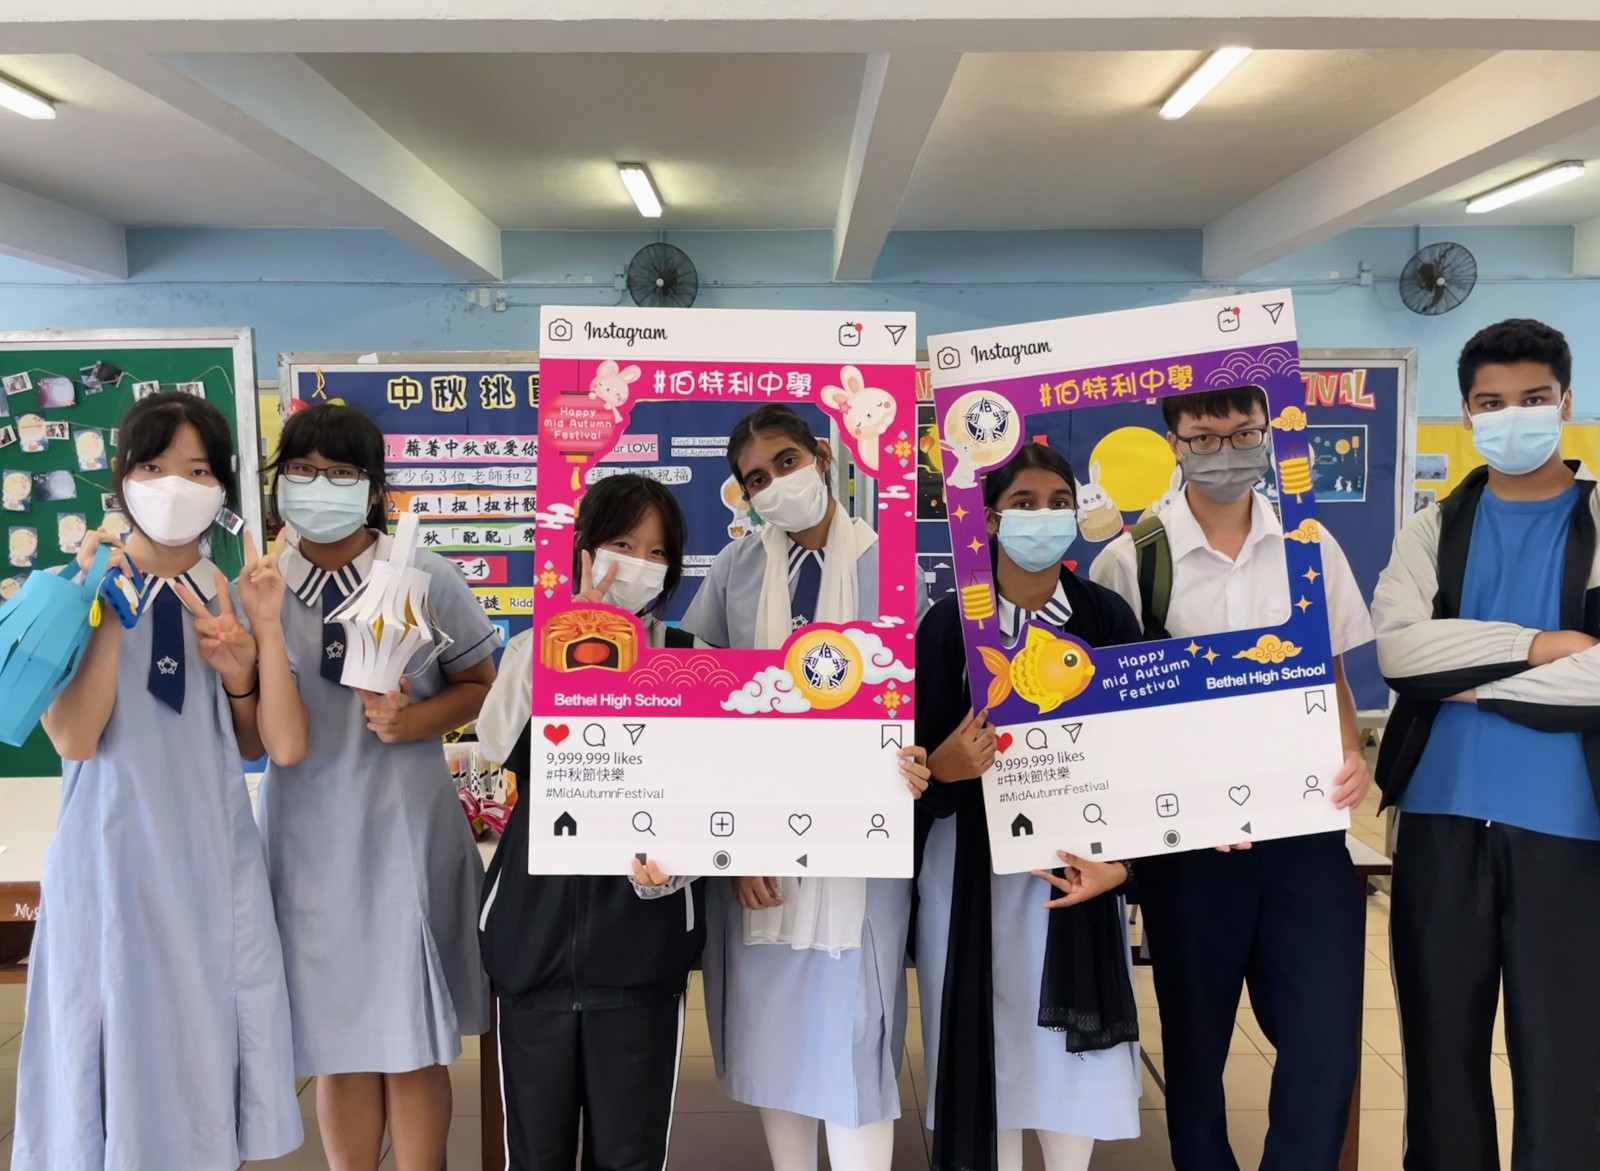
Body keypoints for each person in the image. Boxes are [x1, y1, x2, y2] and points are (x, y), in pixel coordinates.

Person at [12, 392, 302, 1170]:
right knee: (110, 1050)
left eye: (198, 470)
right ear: (123, 479)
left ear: (222, 488)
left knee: (202, 1056)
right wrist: (106, 606)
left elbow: (256, 743)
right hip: (110, 862)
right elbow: (74, 736)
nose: (176, 484)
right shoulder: (68, 588)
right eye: (154, 466)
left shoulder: (229, 592)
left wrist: (242, 670)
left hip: (209, 860)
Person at [1090, 385, 1375, 1171]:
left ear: (1268, 432)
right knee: (1196, 1045)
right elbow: (1114, 715)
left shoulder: (1310, 544)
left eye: (1245, 434)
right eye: (1205, 438)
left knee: (1322, 1037)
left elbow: (1331, 674)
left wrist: (1349, 752)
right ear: (1173, 442)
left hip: (1303, 835)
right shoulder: (1132, 559)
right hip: (1191, 846)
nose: (1228, 453)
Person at [1372, 318, 1600, 1171]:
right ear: (1467, 412)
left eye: (1532, 399)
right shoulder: (1432, 528)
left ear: (1565, 402)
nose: (1512, 416)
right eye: (1492, 402)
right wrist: (1541, 646)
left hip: (1571, 832)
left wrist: (1472, 678)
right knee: (1439, 1059)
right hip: (1440, 823)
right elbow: (1401, 654)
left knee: (1567, 1061)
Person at [678, 404, 930, 1171]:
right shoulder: (736, 569)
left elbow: (923, 701)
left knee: (856, 1033)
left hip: (860, 851)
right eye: (756, 479)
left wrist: (921, 755)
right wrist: (734, 845)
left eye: (785, 462)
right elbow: (701, 711)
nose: (775, 485)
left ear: (821, 454)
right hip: (759, 856)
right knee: (776, 1034)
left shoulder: (891, 564)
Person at [253, 403, 498, 1171]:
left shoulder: (419, 573)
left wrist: (414, 718)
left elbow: (481, 681)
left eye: (340, 471)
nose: (318, 484)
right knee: (335, 1041)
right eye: (302, 469)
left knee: (410, 1035)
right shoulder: (259, 585)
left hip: (402, 832)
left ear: (372, 486)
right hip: (304, 835)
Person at [915, 443, 1143, 1171]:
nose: (1043, 517)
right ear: (989, 518)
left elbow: (1139, 756)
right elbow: (914, 765)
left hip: (1075, 872)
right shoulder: (948, 625)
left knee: (1072, 1064)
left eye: (1058, 502)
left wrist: (1120, 864)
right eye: (1023, 503)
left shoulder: (1106, 617)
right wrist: (944, 767)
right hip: (969, 872)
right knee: (987, 1040)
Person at [476, 472, 709, 1171]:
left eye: (656, 552)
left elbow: (707, 798)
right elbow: (497, 743)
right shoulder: (532, 648)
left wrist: (677, 870)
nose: (638, 564)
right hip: (533, 947)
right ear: (583, 550)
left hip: (639, 954)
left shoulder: (689, 657)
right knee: (536, 1154)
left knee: (630, 1155)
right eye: (622, 544)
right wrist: (568, 635)